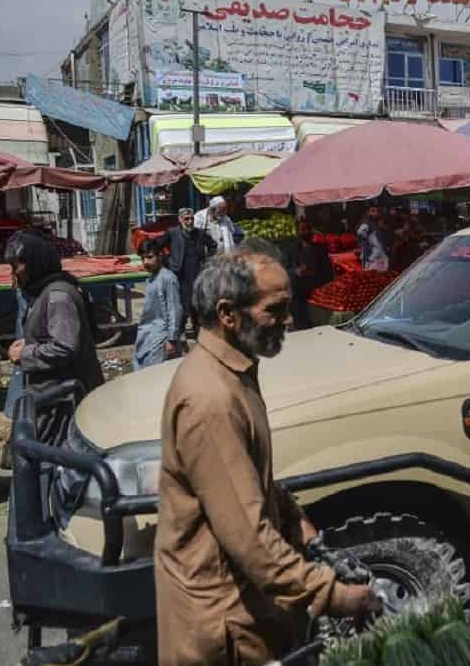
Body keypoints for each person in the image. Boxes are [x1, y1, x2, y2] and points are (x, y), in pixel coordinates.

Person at [155, 247, 380, 666]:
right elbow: (250, 537)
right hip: (225, 624)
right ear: (227, 314)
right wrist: (333, 595)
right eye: (275, 310)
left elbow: (248, 479)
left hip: (243, 609)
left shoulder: (231, 372)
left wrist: (298, 524)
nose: (289, 320)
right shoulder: (211, 401)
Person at [5, 232, 104, 443]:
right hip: (53, 398)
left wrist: (24, 353)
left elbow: (65, 347)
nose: (14, 275)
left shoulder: (58, 296)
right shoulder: (43, 292)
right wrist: (31, 342)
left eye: (17, 267)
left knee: (57, 461)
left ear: (34, 263)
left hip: (65, 401)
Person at [156, 208, 218, 337]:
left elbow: (213, 245)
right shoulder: (172, 233)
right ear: (180, 219)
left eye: (192, 219)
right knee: (181, 304)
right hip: (180, 274)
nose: (190, 222)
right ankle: (179, 334)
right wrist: (167, 262)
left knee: (197, 303)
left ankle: (198, 333)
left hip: (197, 272)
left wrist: (208, 261)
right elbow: (157, 246)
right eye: (186, 219)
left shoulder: (199, 233)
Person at [133, 237, 184, 370]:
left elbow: (174, 309)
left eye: (150, 257)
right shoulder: (152, 278)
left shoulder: (168, 278)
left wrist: (171, 340)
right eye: (143, 258)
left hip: (162, 339)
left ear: (160, 255)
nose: (146, 262)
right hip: (148, 335)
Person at [290, 218, 334, 330]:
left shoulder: (320, 248)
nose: (306, 232)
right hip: (299, 292)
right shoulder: (292, 249)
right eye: (303, 229)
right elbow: (286, 267)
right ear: (297, 232)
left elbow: (328, 270)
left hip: (317, 290)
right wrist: (296, 271)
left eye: (308, 229)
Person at [357, 206, 389, 271]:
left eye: (377, 211)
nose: (375, 213)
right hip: (370, 254)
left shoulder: (379, 223)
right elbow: (360, 233)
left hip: (381, 253)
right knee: (370, 273)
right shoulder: (366, 223)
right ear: (368, 212)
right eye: (373, 211)